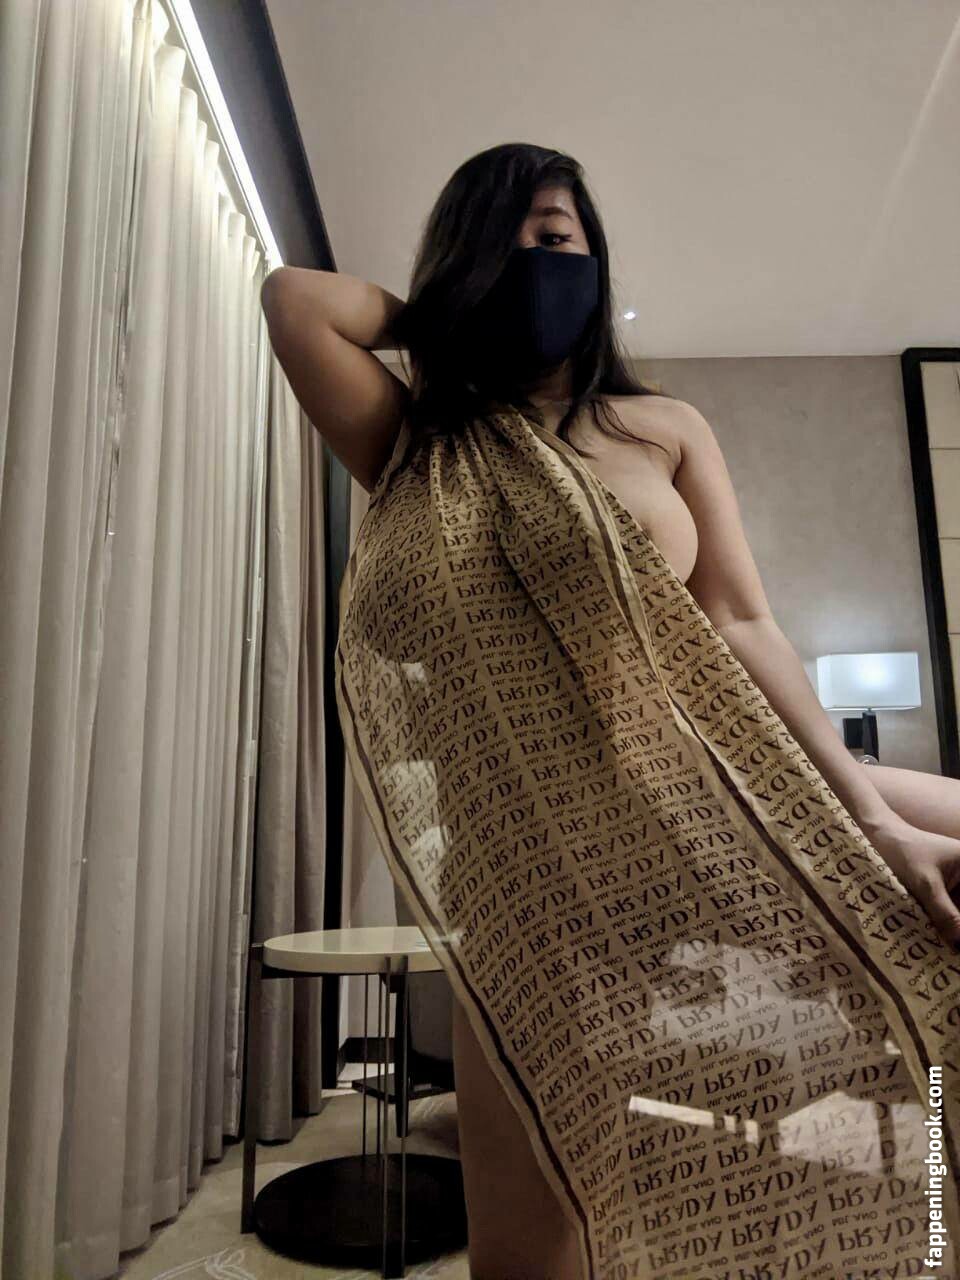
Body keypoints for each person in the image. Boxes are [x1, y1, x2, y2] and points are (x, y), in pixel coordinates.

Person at [263, 143, 960, 1280]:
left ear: (595, 263)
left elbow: (742, 626)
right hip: (528, 865)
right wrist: (453, 315)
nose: (537, 263)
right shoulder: (415, 439)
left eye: (557, 239)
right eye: (505, 245)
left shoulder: (664, 427)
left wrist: (873, 822)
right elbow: (295, 300)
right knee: (534, 1236)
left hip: (712, 790)